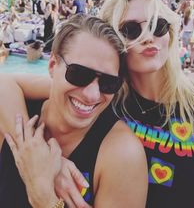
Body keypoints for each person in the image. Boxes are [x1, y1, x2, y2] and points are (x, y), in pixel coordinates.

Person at [0, 0, 194, 208]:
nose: (148, 37)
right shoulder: (105, 96)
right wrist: (39, 152)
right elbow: (9, 84)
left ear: (170, 34)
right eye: (131, 30)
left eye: (158, 26)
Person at [0, 15, 148, 208]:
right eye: (79, 74)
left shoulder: (122, 155)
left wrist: (45, 199)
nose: (92, 95)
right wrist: (40, 154)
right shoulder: (14, 115)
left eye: (108, 83)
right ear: (53, 65)